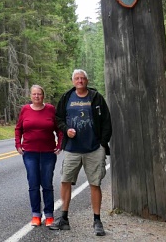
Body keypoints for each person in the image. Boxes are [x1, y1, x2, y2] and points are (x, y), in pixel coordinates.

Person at [49, 69, 112, 236]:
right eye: (77, 78)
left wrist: (102, 143)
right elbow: (58, 118)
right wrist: (65, 130)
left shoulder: (96, 97)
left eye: (82, 78)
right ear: (73, 81)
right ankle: (64, 218)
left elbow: (107, 121)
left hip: (94, 148)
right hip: (72, 149)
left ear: (87, 80)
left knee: (95, 183)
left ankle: (97, 221)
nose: (80, 81)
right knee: (65, 181)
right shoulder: (66, 98)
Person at [15, 84, 62, 227]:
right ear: (31, 96)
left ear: (43, 96)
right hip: (30, 153)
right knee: (33, 184)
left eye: (39, 94)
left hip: (48, 153)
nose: (37, 96)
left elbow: (59, 129)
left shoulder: (50, 110)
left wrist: (60, 145)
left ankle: (49, 215)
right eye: (34, 94)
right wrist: (18, 144)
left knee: (47, 184)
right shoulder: (25, 110)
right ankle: (36, 215)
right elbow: (18, 128)